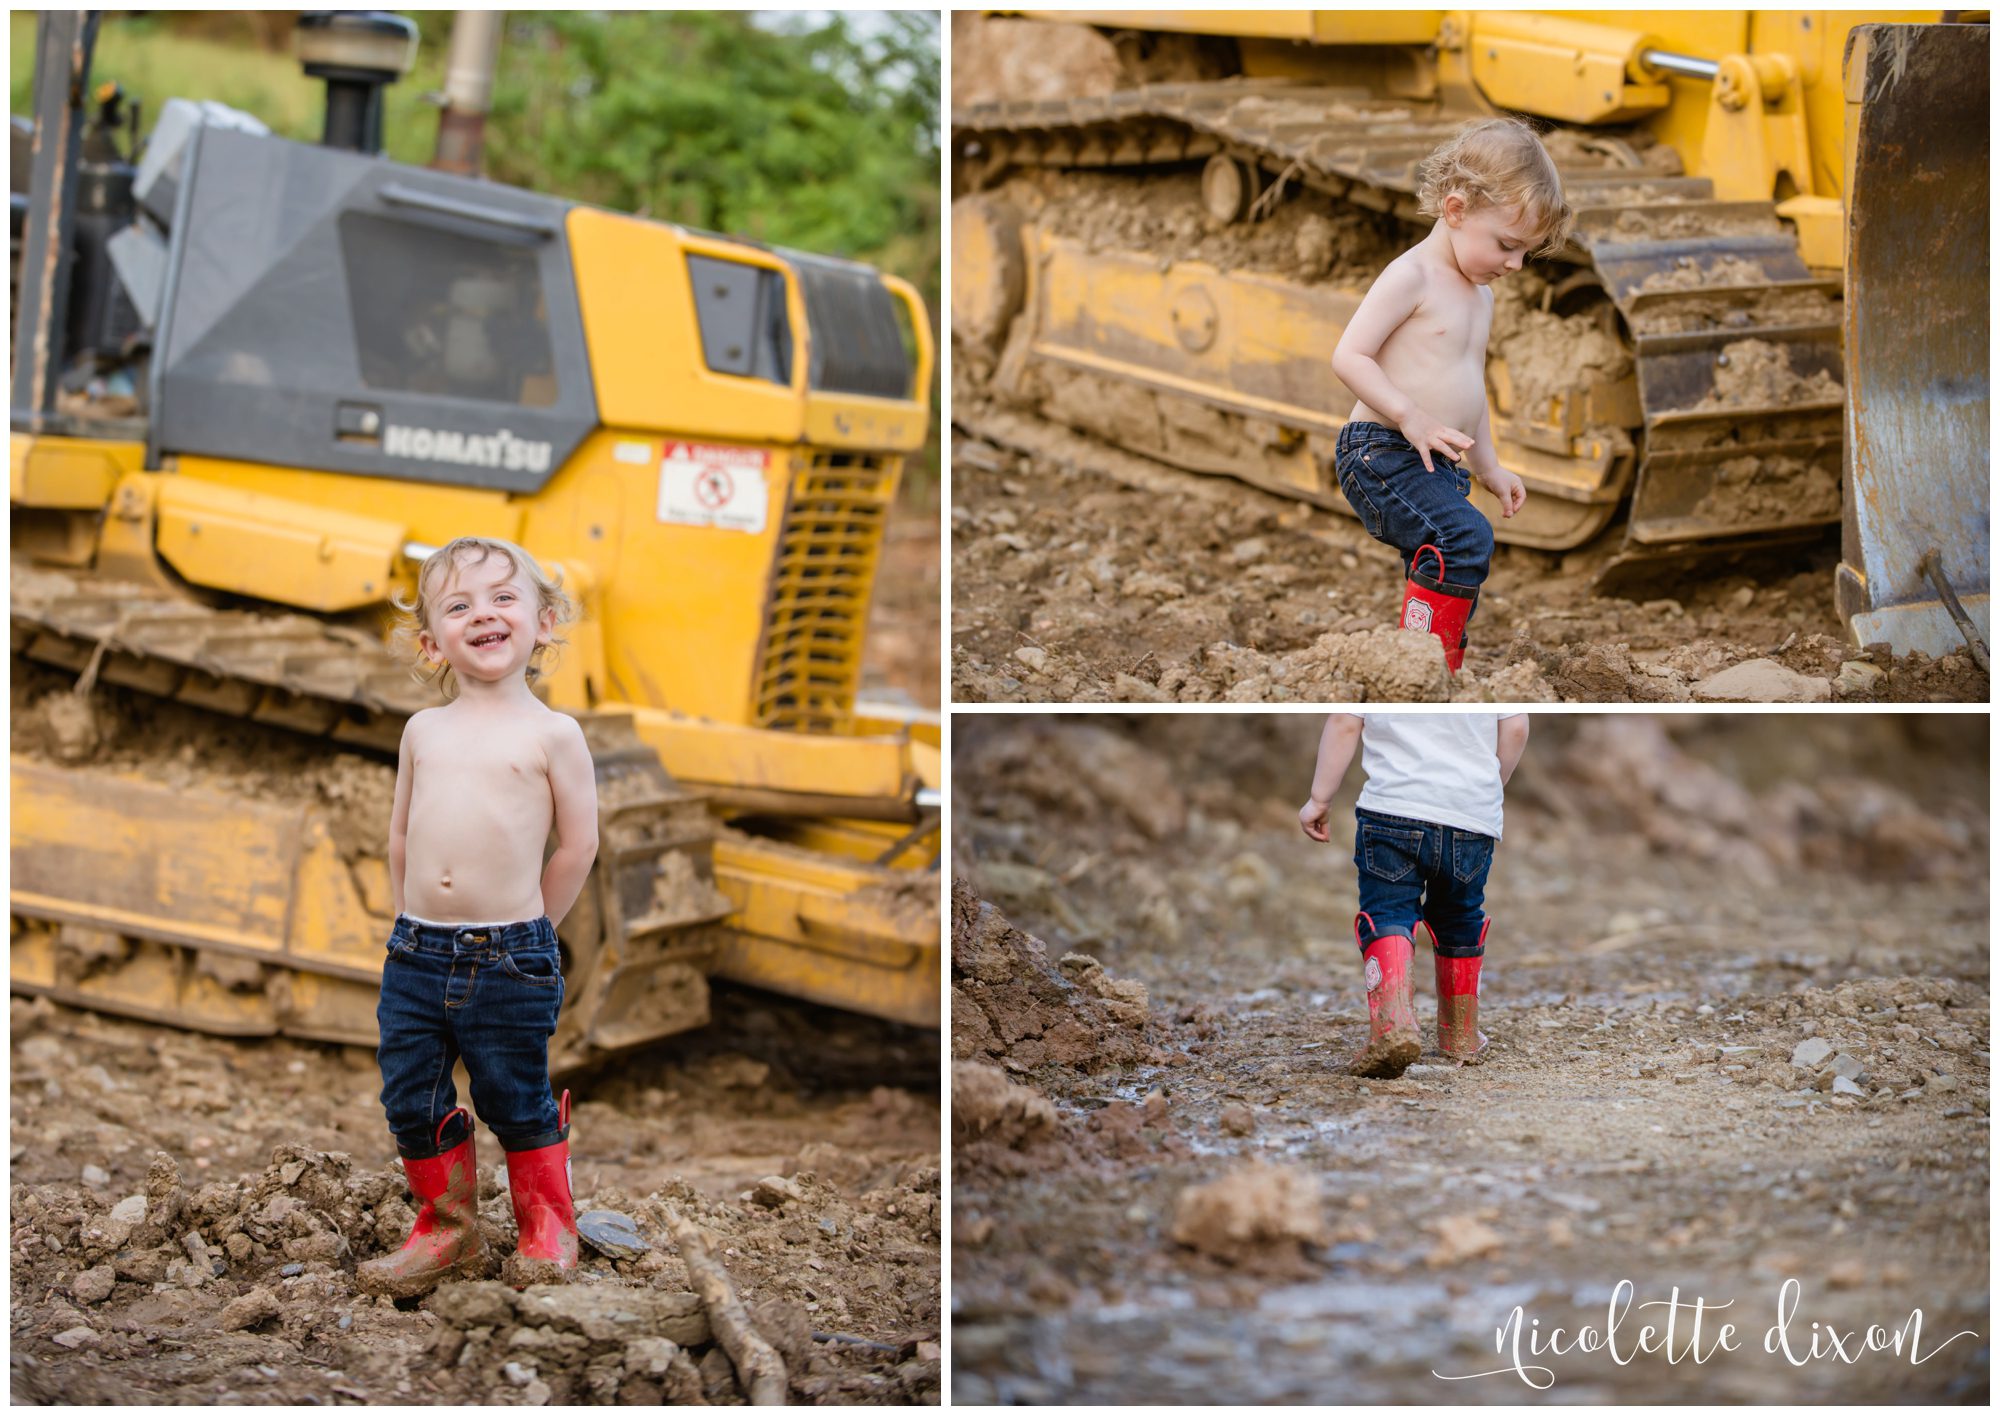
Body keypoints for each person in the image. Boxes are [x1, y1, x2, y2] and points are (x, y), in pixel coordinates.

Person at [356, 535, 600, 1296]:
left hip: (511, 955)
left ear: (544, 622)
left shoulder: (553, 734)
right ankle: (446, 1231)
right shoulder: (422, 732)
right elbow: (401, 835)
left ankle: (547, 1226)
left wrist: (535, 929)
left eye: (503, 598)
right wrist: (410, 915)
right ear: (432, 642)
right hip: (417, 951)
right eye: (459, 606)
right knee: (410, 1094)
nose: (483, 614)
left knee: (513, 1094)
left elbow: (579, 844)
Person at [1328, 117, 1573, 672]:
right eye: (1507, 245)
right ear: (1456, 209)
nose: (1514, 264)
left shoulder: (1481, 296)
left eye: (1525, 253)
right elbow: (1349, 356)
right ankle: (1425, 665)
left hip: (1436, 458)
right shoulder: (1411, 276)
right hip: (1381, 449)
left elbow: (1469, 389)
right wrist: (1408, 415)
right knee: (1465, 538)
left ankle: (1428, 663)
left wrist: (1489, 467)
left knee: (1449, 558)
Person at [1299, 712, 1529, 1078]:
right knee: (1460, 915)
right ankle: (1461, 1035)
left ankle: (1394, 1024)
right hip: (1470, 815)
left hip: (1392, 810)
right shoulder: (1490, 681)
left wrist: (1319, 798)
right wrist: (1488, 785)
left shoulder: (1376, 675)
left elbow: (1344, 721)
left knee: (1388, 911)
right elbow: (1515, 727)